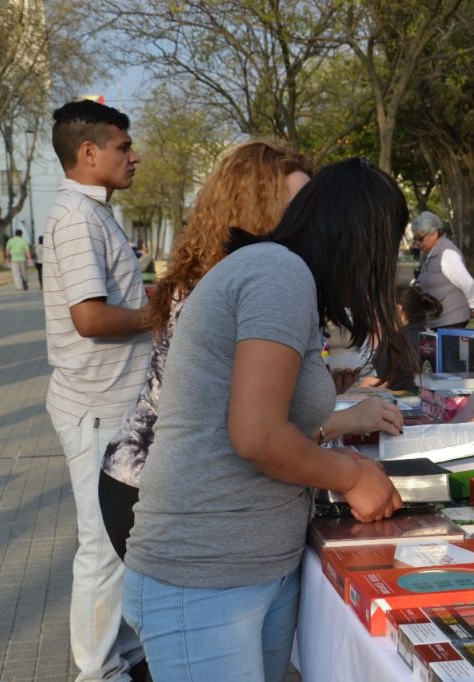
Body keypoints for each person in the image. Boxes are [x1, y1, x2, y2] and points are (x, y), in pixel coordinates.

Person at [121, 158, 407, 680]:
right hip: (205, 576)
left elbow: (270, 420)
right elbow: (256, 434)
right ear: (360, 240)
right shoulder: (278, 272)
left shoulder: (282, 275)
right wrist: (352, 475)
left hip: (255, 567)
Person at [99, 140, 400, 561]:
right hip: (167, 501)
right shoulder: (266, 276)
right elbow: (251, 431)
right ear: (257, 209)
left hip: (206, 516)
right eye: (297, 204)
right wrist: (348, 471)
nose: (311, 220)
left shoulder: (262, 275)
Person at [42, 99, 151, 682]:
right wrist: (154, 318)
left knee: (124, 537)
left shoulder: (97, 214)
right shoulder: (76, 219)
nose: (133, 157)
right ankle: (98, 670)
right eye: (122, 148)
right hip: (95, 408)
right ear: (89, 153)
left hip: (117, 405)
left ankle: (125, 652)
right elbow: (89, 318)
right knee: (102, 547)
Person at [411, 211, 474, 328]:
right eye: (415, 238)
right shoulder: (432, 252)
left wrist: (473, 305)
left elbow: (467, 282)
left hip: (451, 319)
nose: (417, 243)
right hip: (439, 319)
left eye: (420, 238)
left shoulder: (447, 253)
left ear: (434, 234)